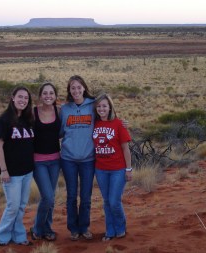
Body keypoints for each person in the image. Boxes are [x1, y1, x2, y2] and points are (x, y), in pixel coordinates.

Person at [0, 86, 35, 246]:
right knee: (13, 206)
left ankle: (18, 235)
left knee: (22, 206)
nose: (23, 100)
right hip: (11, 173)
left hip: (27, 171)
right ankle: (3, 237)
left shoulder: (28, 119)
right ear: (13, 97)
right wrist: (4, 170)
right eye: (20, 97)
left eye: (26, 98)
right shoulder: (3, 120)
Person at [59, 75, 96, 241]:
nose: (76, 91)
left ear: (84, 88)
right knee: (72, 196)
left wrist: (121, 123)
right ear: (69, 90)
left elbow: (107, 118)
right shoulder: (65, 109)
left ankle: (84, 227)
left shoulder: (93, 106)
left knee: (86, 196)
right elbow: (58, 132)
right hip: (68, 159)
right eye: (72, 88)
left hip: (88, 159)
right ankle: (73, 229)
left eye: (78, 87)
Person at [92, 93, 132, 242]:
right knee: (107, 201)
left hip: (118, 169)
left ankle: (120, 227)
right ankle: (110, 230)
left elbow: (126, 148)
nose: (101, 109)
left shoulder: (118, 124)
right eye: (99, 106)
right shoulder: (94, 124)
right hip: (100, 169)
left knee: (114, 201)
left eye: (104, 106)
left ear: (110, 107)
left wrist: (129, 169)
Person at [30, 83, 61, 242]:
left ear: (55, 95)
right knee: (47, 196)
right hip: (38, 162)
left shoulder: (59, 111)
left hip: (56, 161)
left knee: (51, 197)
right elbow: (17, 124)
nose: (48, 96)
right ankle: (37, 228)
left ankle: (47, 229)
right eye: (45, 93)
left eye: (51, 93)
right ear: (40, 96)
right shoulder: (33, 112)